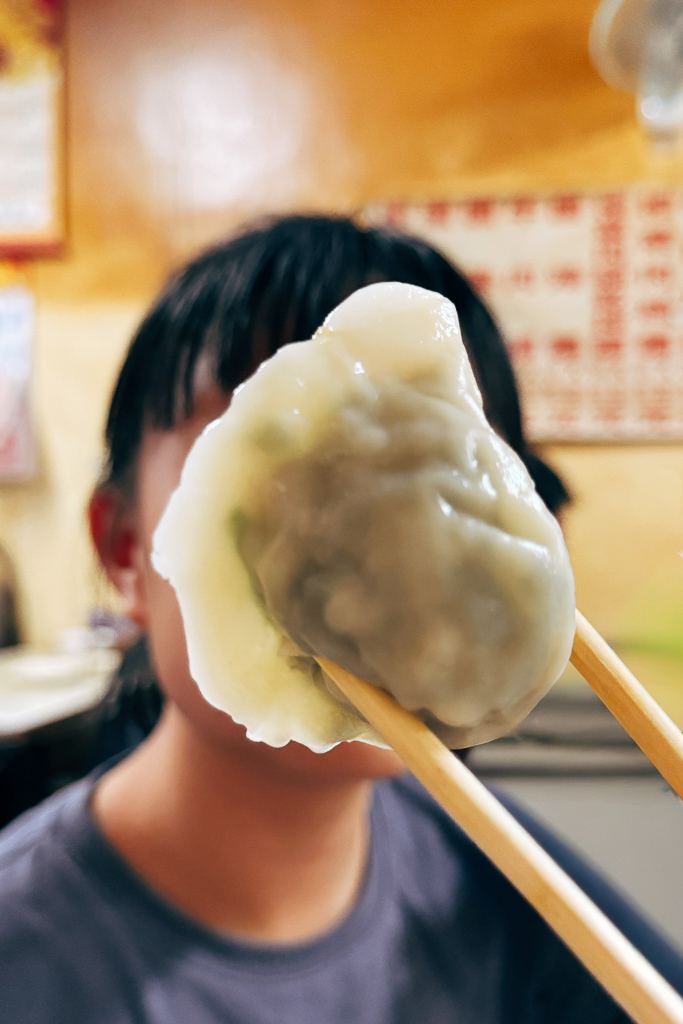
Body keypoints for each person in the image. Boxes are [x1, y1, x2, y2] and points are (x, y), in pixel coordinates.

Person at [0, 215, 680, 1024]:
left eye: (445, 469)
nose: (394, 551)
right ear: (124, 551)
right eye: (277, 459)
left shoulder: (498, 878)